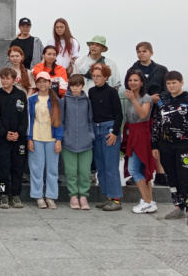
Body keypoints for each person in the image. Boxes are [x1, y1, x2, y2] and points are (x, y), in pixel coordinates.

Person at [153, 71, 188, 226]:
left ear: (181, 82)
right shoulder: (162, 101)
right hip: (165, 146)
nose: (171, 86)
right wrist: (154, 145)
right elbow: (156, 123)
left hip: (184, 146)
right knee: (172, 177)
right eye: (168, 83)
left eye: (174, 83)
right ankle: (178, 207)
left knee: (185, 177)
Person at [128, 41, 169, 186]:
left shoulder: (162, 70)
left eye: (144, 51)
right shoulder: (133, 69)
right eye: (138, 51)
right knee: (139, 144)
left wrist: (158, 99)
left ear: (151, 53)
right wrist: (148, 99)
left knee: (158, 142)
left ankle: (160, 173)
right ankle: (138, 173)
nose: (141, 54)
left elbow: (167, 89)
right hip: (139, 112)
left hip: (157, 112)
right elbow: (130, 87)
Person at [88, 62, 124, 211]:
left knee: (110, 166)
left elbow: (119, 114)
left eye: (99, 76)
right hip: (95, 129)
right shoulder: (91, 91)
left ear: (106, 77)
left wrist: (115, 132)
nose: (96, 78)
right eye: (94, 76)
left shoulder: (111, 92)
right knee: (101, 166)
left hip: (109, 129)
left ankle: (116, 200)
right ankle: (108, 196)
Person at [27, 72, 63, 210]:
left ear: (49, 83)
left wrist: (58, 139)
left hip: (51, 139)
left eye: (45, 81)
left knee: (52, 169)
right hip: (36, 137)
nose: (42, 84)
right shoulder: (32, 99)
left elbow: (59, 121)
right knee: (36, 168)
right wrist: (29, 138)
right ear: (36, 83)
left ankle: (50, 197)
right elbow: (29, 120)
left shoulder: (56, 100)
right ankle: (38, 196)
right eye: (39, 81)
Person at [123, 69, 157, 214]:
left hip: (142, 135)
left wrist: (133, 100)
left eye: (136, 80)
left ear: (142, 82)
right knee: (142, 169)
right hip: (133, 134)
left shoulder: (146, 98)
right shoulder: (130, 97)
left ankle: (147, 202)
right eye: (130, 80)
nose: (132, 83)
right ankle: (148, 200)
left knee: (133, 169)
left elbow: (143, 114)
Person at [0, 67, 28, 209]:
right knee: (2, 169)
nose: (5, 81)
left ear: (14, 79)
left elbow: (24, 117)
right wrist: (4, 133)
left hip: (19, 140)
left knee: (18, 168)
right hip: (2, 139)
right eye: (3, 78)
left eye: (8, 78)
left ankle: (16, 195)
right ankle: (3, 195)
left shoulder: (20, 95)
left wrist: (19, 133)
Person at [60, 74, 94, 210]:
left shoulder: (87, 101)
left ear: (82, 86)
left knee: (85, 172)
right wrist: (63, 136)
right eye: (73, 85)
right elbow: (61, 121)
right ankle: (73, 195)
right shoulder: (64, 101)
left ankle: (84, 196)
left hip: (86, 142)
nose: (75, 88)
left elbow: (91, 120)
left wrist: (91, 135)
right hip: (69, 142)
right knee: (71, 171)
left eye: (78, 85)